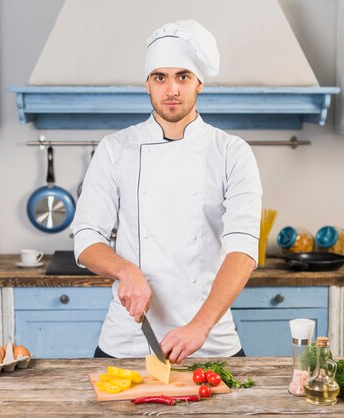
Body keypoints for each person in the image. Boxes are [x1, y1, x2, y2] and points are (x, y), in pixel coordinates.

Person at [71, 19, 262, 364]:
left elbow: (243, 249)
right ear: (147, 84)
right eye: (160, 77)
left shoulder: (232, 151)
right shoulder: (115, 148)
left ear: (199, 83)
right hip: (129, 334)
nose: (171, 89)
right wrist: (126, 271)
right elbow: (86, 238)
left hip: (209, 336)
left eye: (182, 76)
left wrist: (199, 326)